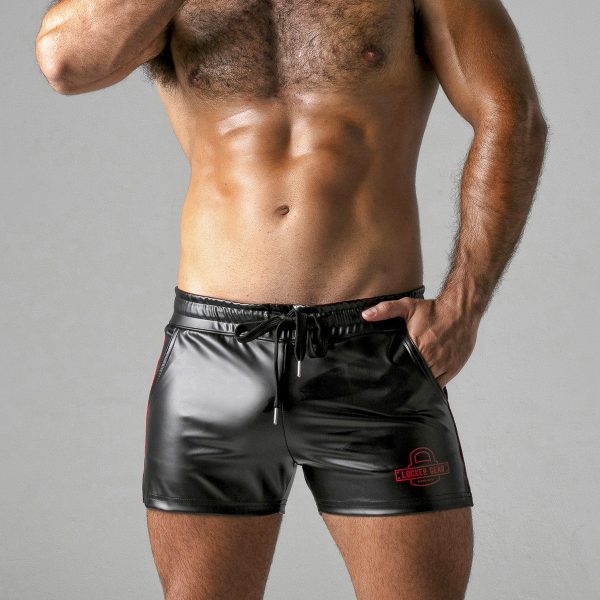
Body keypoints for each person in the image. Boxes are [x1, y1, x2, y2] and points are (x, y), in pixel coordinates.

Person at [35, 0, 547, 598]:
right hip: (214, 354)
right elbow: (67, 63)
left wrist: (464, 303)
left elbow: (512, 116)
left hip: (371, 351)